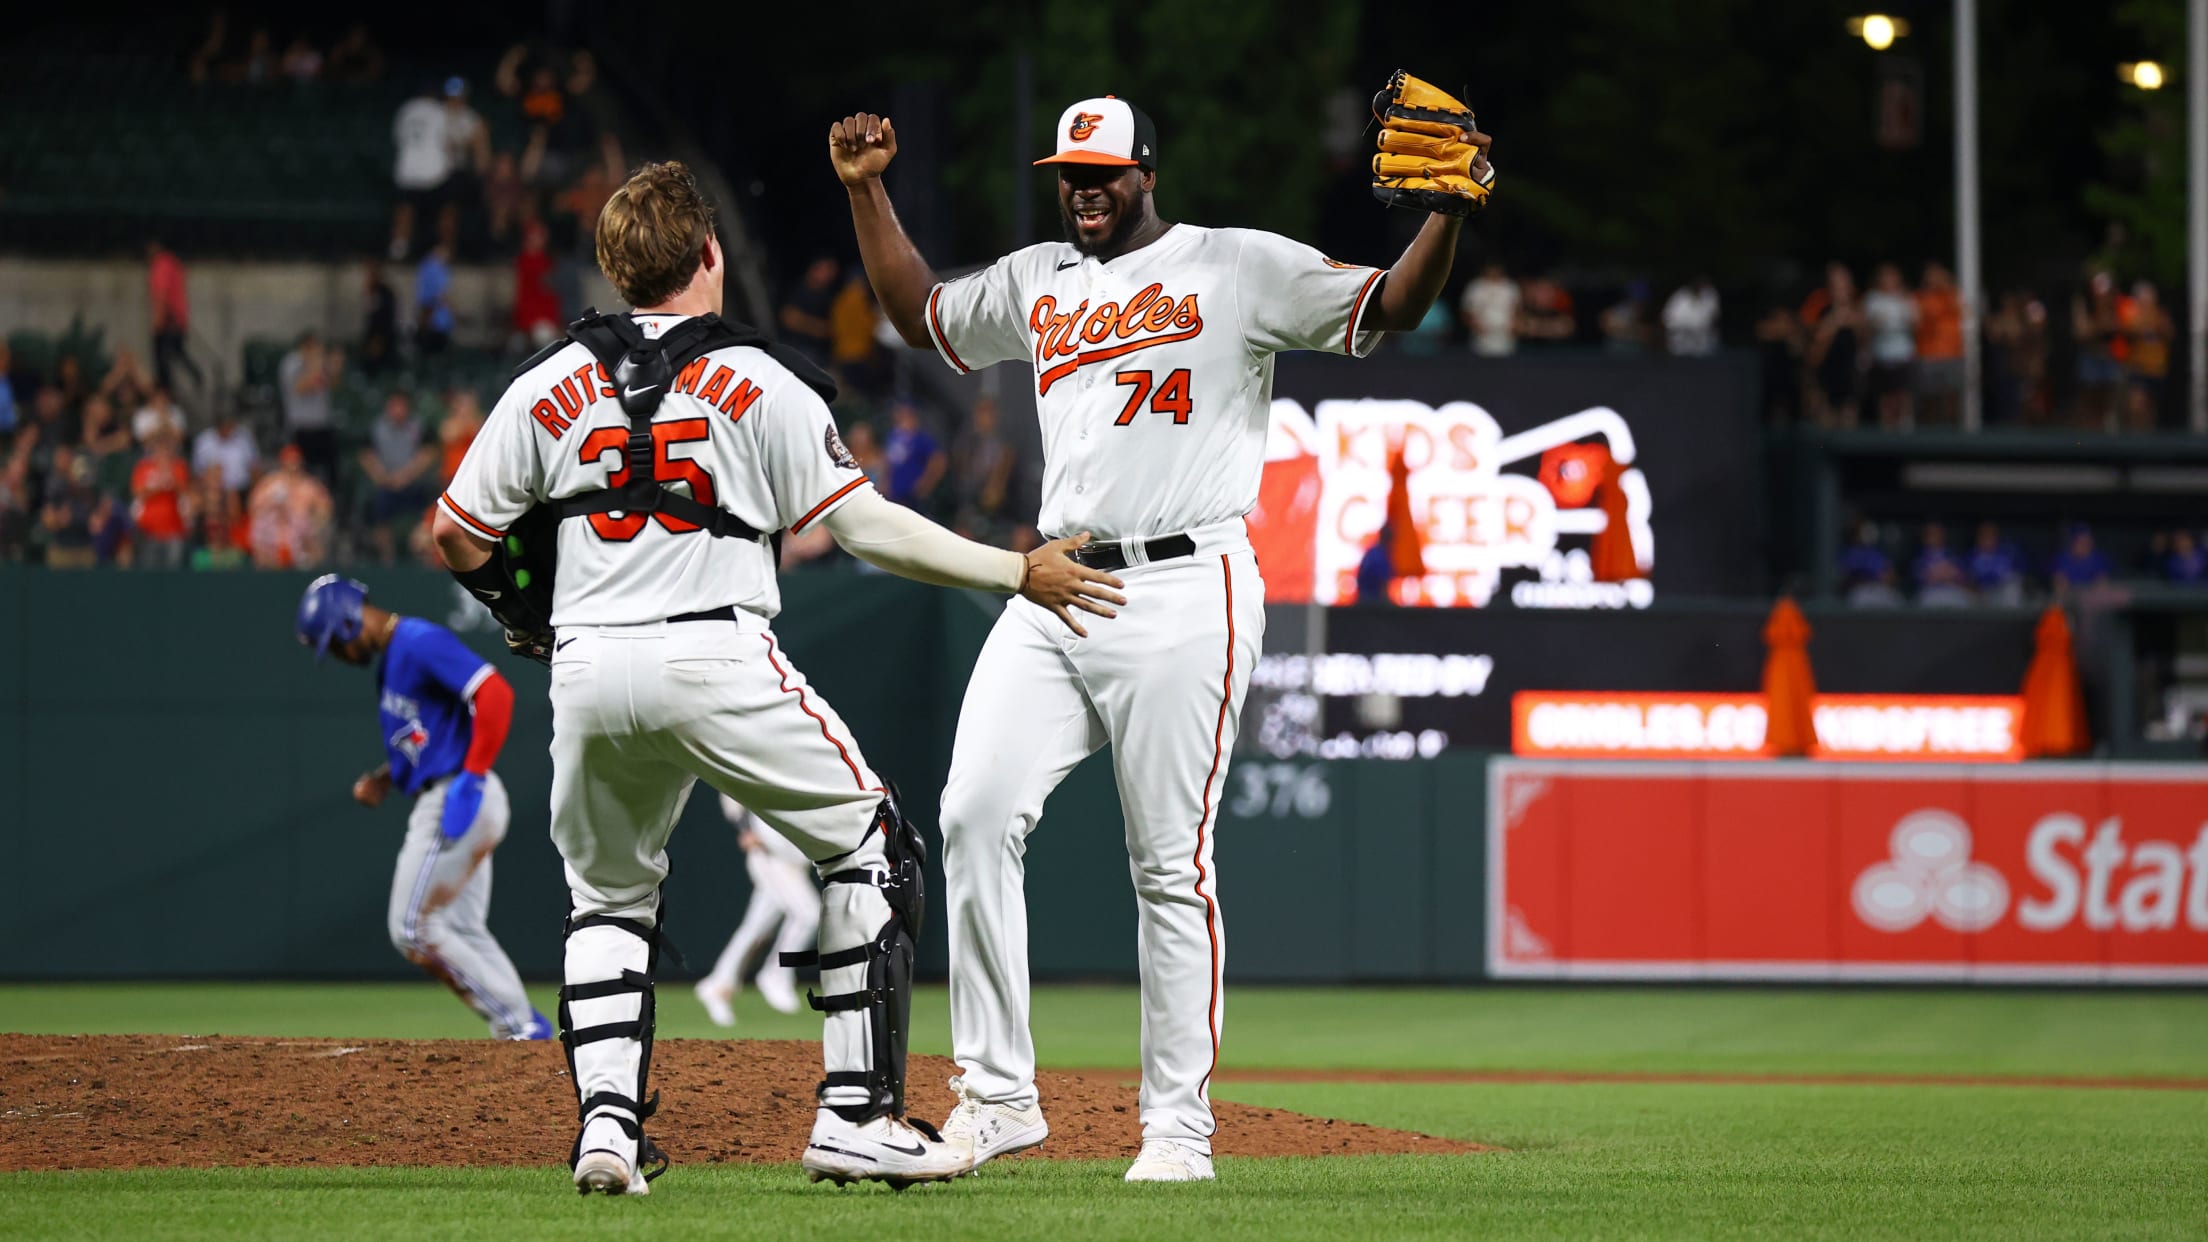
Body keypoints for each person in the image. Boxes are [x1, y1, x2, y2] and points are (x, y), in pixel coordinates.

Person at [831, 92, 1487, 1182]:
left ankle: (1178, 1128)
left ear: (1146, 170)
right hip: (1060, 581)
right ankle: (997, 1099)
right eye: (1068, 175)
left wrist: (1448, 218)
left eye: (1102, 172)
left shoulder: (1236, 265)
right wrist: (867, 194)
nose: (1084, 190)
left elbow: (1392, 308)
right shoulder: (1038, 279)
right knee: (972, 812)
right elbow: (921, 315)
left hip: (1190, 585)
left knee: (1168, 868)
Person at [428, 160, 1117, 1194]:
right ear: (709, 254)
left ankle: (607, 1132)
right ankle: (854, 1115)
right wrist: (1015, 567)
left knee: (608, 898)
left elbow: (455, 533)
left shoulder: (542, 382)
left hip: (585, 663)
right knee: (872, 848)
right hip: (712, 651)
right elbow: (862, 526)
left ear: (617, 268)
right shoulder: (760, 379)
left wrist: (527, 617)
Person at [294, 575, 551, 1042]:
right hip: (451, 789)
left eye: (334, 644)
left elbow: (494, 694)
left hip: (459, 793)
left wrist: (471, 778)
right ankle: (524, 1033)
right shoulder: (391, 662)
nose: (338, 655)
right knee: (460, 927)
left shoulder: (416, 640)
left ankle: (520, 1026)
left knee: (412, 927)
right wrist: (386, 777)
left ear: (349, 619)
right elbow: (424, 739)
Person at [693, 794, 819, 1027]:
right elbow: (730, 791)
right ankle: (777, 973)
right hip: (771, 856)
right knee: (808, 915)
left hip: (791, 858)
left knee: (756, 927)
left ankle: (719, 983)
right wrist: (745, 829)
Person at [360, 390, 438, 563]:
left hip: (415, 484)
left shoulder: (418, 426)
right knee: (377, 508)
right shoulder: (377, 427)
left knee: (433, 507)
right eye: (393, 406)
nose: (397, 410)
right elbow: (366, 455)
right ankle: (386, 559)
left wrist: (405, 476)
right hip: (387, 485)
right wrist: (382, 476)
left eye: (401, 406)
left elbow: (428, 453)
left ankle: (427, 559)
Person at [247, 442, 332, 568]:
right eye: (289, 460)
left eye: (295, 460)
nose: (293, 464)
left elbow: (325, 509)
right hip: (273, 532)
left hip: (302, 533)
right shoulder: (270, 483)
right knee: (259, 536)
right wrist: (272, 508)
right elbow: (254, 508)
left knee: (314, 543)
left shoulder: (310, 485)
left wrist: (314, 524)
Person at [278, 331, 343, 485]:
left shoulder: (320, 362)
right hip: (301, 427)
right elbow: (302, 388)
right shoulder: (291, 363)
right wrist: (317, 365)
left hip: (323, 425)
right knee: (303, 472)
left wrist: (335, 365)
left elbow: (334, 384)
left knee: (331, 473)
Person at [1862, 263, 1917, 429]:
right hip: (1881, 355)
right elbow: (1870, 324)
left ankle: (1905, 428)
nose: (1888, 280)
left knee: (1903, 395)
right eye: (1885, 276)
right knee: (1885, 397)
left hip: (1903, 355)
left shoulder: (1906, 298)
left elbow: (1915, 322)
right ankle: (1886, 429)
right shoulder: (1873, 299)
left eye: (1892, 276)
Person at [129, 429, 193, 569]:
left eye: (167, 447)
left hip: (174, 530)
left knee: (173, 570)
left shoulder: (178, 467)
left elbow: (184, 490)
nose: (163, 451)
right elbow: (138, 492)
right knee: (149, 570)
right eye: (160, 447)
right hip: (148, 531)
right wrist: (158, 486)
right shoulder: (144, 467)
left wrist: (169, 481)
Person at [147, 240, 203, 394]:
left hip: (169, 322)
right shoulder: (174, 264)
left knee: (163, 361)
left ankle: (166, 391)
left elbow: (162, 294)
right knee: (177, 353)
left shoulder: (161, 264)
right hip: (178, 321)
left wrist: (158, 321)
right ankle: (195, 376)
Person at [2072, 271, 2123, 430]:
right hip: (2090, 358)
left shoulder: (2115, 305)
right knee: (2088, 402)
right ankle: (2085, 439)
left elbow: (2114, 326)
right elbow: (2082, 332)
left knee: (2107, 403)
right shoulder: (2084, 305)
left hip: (2108, 358)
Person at [1915, 263, 1964, 426]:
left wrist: (1946, 287)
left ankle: (1953, 436)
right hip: (1928, 355)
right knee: (1929, 400)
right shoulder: (1921, 297)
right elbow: (1918, 319)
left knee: (1952, 400)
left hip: (1952, 354)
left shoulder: (1953, 294)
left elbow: (1963, 310)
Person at [882, 399, 946, 512]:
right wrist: (885, 481)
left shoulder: (921, 438)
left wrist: (926, 484)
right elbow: (889, 462)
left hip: (911, 496)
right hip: (893, 493)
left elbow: (939, 460)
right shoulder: (893, 435)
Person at [779, 256, 838, 370]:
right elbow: (788, 317)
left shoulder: (828, 294)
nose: (831, 274)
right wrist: (818, 328)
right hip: (801, 349)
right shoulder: (801, 290)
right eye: (827, 269)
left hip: (822, 352)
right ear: (815, 269)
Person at [193, 405, 259, 498]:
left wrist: (255, 493)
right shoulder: (204, 442)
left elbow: (254, 468)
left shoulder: (244, 438)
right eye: (224, 426)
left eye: (230, 426)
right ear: (218, 425)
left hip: (243, 490)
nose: (227, 429)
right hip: (215, 493)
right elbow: (198, 473)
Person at [1458, 262, 1519, 356]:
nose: (1493, 272)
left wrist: (1514, 325)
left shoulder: (1510, 287)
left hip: (1505, 337)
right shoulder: (1475, 287)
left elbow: (1517, 310)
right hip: (1480, 339)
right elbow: (1465, 312)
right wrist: (1475, 325)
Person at [1913, 521, 1969, 607]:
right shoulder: (1920, 557)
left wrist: (1949, 574)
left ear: (1943, 535)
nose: (1934, 537)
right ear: (1925, 537)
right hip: (1930, 592)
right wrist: (1941, 574)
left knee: (1963, 600)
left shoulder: (1953, 554)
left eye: (1937, 533)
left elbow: (1963, 576)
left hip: (1952, 590)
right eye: (1931, 534)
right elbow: (1920, 577)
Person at [1969, 520, 2025, 606]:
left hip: (2000, 591)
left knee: (2013, 584)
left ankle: (2010, 617)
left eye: (1991, 535)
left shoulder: (2007, 554)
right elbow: (1968, 578)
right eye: (1984, 535)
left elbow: (2017, 573)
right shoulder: (1971, 556)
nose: (1987, 538)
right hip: (1980, 593)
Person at [2050, 523, 2113, 598]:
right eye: (2081, 542)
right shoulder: (2061, 559)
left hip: (2090, 599)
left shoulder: (2097, 558)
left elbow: (2103, 584)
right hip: (2070, 599)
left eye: (2089, 541)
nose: (2086, 546)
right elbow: (2060, 588)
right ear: (2072, 543)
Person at [1661, 276, 1719, 356]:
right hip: (1680, 339)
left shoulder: (1710, 296)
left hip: (1703, 340)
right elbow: (1668, 319)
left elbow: (1713, 317)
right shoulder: (1680, 297)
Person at [416, 241, 456, 355]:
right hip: (433, 324)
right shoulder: (429, 268)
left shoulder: (443, 268)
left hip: (440, 324)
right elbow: (433, 297)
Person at [362, 262, 399, 375]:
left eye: (371, 275)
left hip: (383, 337)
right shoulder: (371, 293)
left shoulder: (386, 294)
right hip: (374, 337)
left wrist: (378, 339)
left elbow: (385, 318)